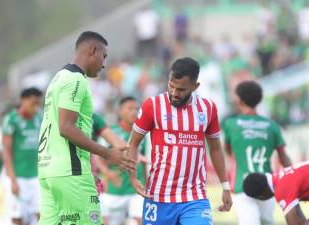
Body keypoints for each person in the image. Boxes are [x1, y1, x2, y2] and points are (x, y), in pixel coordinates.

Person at [37, 31, 136, 225]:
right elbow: (66, 127)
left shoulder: (58, 77)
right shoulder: (75, 80)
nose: (104, 64)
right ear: (92, 50)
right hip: (70, 172)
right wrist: (108, 154)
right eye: (104, 56)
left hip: (49, 171)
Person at [128, 57, 232, 225]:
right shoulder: (152, 106)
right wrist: (133, 177)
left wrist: (225, 186)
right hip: (158, 195)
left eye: (181, 89)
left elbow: (215, 149)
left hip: (194, 197)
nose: (174, 93)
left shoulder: (208, 108)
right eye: (171, 86)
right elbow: (133, 143)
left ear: (195, 86)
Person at [222, 80, 292, 225]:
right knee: (267, 222)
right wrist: (294, 176)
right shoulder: (272, 125)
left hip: (242, 184)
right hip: (267, 184)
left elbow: (228, 150)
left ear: (240, 100)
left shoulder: (231, 124)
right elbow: (283, 157)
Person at [99, 96, 146, 225]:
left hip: (136, 189)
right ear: (119, 112)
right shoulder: (111, 132)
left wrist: (147, 183)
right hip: (116, 189)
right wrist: (107, 173)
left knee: (140, 221)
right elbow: (98, 156)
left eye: (136, 108)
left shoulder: (144, 134)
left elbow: (145, 160)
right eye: (130, 108)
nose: (134, 112)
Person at [0, 88, 42, 225]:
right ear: (23, 101)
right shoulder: (11, 119)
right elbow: (5, 152)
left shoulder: (40, 118)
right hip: (18, 178)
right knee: (18, 218)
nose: (36, 108)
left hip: (37, 178)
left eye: (38, 104)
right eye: (33, 104)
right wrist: (13, 180)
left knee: (41, 215)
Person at [243, 161, 309, 225]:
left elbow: (293, 222)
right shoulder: (279, 177)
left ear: (261, 197)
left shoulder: (280, 189)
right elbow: (299, 218)